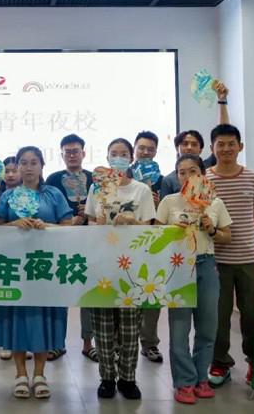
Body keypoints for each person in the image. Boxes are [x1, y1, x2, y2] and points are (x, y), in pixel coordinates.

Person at [0, 146, 73, 399]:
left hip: (46, 268)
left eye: (33, 162)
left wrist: (47, 226)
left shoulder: (54, 194)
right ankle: (20, 373)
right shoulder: (9, 196)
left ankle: (40, 374)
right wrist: (13, 224)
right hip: (15, 268)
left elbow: (68, 225)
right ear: (17, 167)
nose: (28, 168)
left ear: (41, 166)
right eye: (23, 163)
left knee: (44, 317)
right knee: (16, 316)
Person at [156, 154, 232, 405]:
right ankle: (184, 382)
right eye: (182, 172)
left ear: (202, 174)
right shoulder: (169, 201)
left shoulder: (215, 202)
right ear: (177, 176)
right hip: (179, 266)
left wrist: (211, 228)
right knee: (179, 329)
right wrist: (172, 231)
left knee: (208, 326)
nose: (187, 177)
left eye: (193, 172)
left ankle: (201, 377)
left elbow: (227, 236)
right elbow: (154, 235)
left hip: (207, 264)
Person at [85, 138, 155, 400]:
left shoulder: (141, 190)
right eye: (113, 153)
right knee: (102, 327)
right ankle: (106, 378)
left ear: (131, 158)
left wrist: (132, 221)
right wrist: (101, 222)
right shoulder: (97, 189)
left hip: (133, 267)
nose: (118, 158)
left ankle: (128, 378)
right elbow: (90, 223)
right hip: (102, 263)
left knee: (129, 328)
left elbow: (149, 226)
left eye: (123, 154)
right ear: (106, 157)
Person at [206, 124, 254, 388]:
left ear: (240, 146)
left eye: (231, 143)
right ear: (212, 148)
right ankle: (220, 362)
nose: (226, 148)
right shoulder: (204, 180)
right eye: (221, 144)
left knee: (251, 314)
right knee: (218, 316)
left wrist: (243, 238)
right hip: (215, 260)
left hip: (249, 258)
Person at [45, 134, 94, 362]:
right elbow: (47, 210)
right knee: (60, 294)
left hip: (89, 242)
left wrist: (88, 214)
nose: (72, 155)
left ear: (84, 153)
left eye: (76, 151)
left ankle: (88, 343)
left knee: (89, 295)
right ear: (62, 155)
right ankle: (57, 343)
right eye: (68, 152)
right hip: (61, 243)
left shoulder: (95, 179)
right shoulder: (53, 179)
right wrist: (67, 220)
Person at [159, 83, 230, 199]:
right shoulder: (169, 180)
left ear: (201, 149)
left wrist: (222, 101)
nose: (189, 147)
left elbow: (223, 134)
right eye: (185, 144)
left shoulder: (209, 167)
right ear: (177, 148)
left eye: (194, 144)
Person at [131, 131, 164, 364]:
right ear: (134, 149)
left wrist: (158, 203)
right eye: (141, 148)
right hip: (124, 244)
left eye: (150, 149)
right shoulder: (121, 176)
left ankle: (150, 343)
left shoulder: (163, 179)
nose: (145, 152)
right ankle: (122, 343)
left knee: (151, 294)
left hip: (154, 244)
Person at [0, 155, 20, 361]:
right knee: (7, 298)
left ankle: (25, 342)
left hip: (34, 256)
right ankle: (8, 343)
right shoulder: (0, 195)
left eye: (14, 170)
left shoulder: (43, 193)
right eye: (6, 171)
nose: (10, 175)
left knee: (27, 300)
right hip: (7, 255)